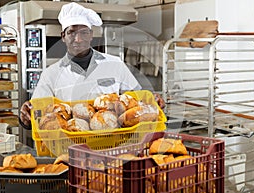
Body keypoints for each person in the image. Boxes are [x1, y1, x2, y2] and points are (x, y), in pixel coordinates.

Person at [19, 2, 165, 129]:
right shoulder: (50, 74)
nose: (78, 39)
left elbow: (137, 103)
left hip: (114, 145)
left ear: (91, 35)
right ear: (63, 37)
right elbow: (37, 116)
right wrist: (25, 118)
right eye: (71, 33)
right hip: (69, 148)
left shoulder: (115, 65)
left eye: (84, 32)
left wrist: (152, 102)